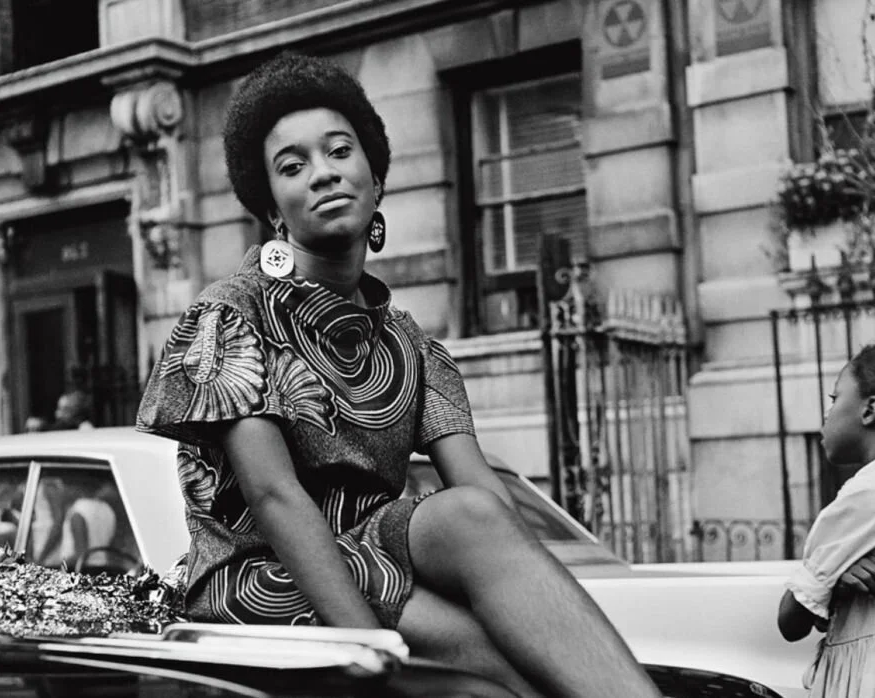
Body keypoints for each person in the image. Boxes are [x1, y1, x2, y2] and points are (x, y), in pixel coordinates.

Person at [136, 51, 660, 698]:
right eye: (293, 166)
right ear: (273, 210)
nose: (323, 173)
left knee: (476, 531)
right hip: (263, 578)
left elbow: (483, 500)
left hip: (376, 558)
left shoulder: (411, 347)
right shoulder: (231, 314)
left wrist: (532, 603)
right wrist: (370, 648)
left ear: (376, 179)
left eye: (339, 151)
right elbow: (274, 497)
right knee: (493, 669)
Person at [777, 341, 875, 696]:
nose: (827, 413)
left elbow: (790, 621)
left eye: (835, 398)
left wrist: (830, 580)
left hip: (873, 677)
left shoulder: (869, 492)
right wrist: (841, 585)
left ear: (870, 410)